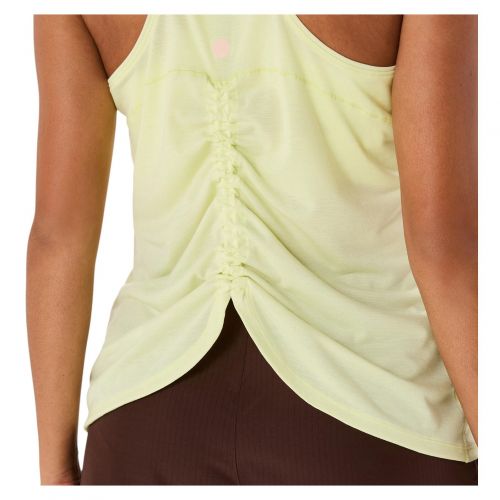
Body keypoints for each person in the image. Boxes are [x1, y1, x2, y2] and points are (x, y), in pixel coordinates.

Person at [27, 14, 478, 485]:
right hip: (371, 415)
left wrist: (55, 473)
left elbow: (59, 235)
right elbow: (442, 246)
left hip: (142, 426)